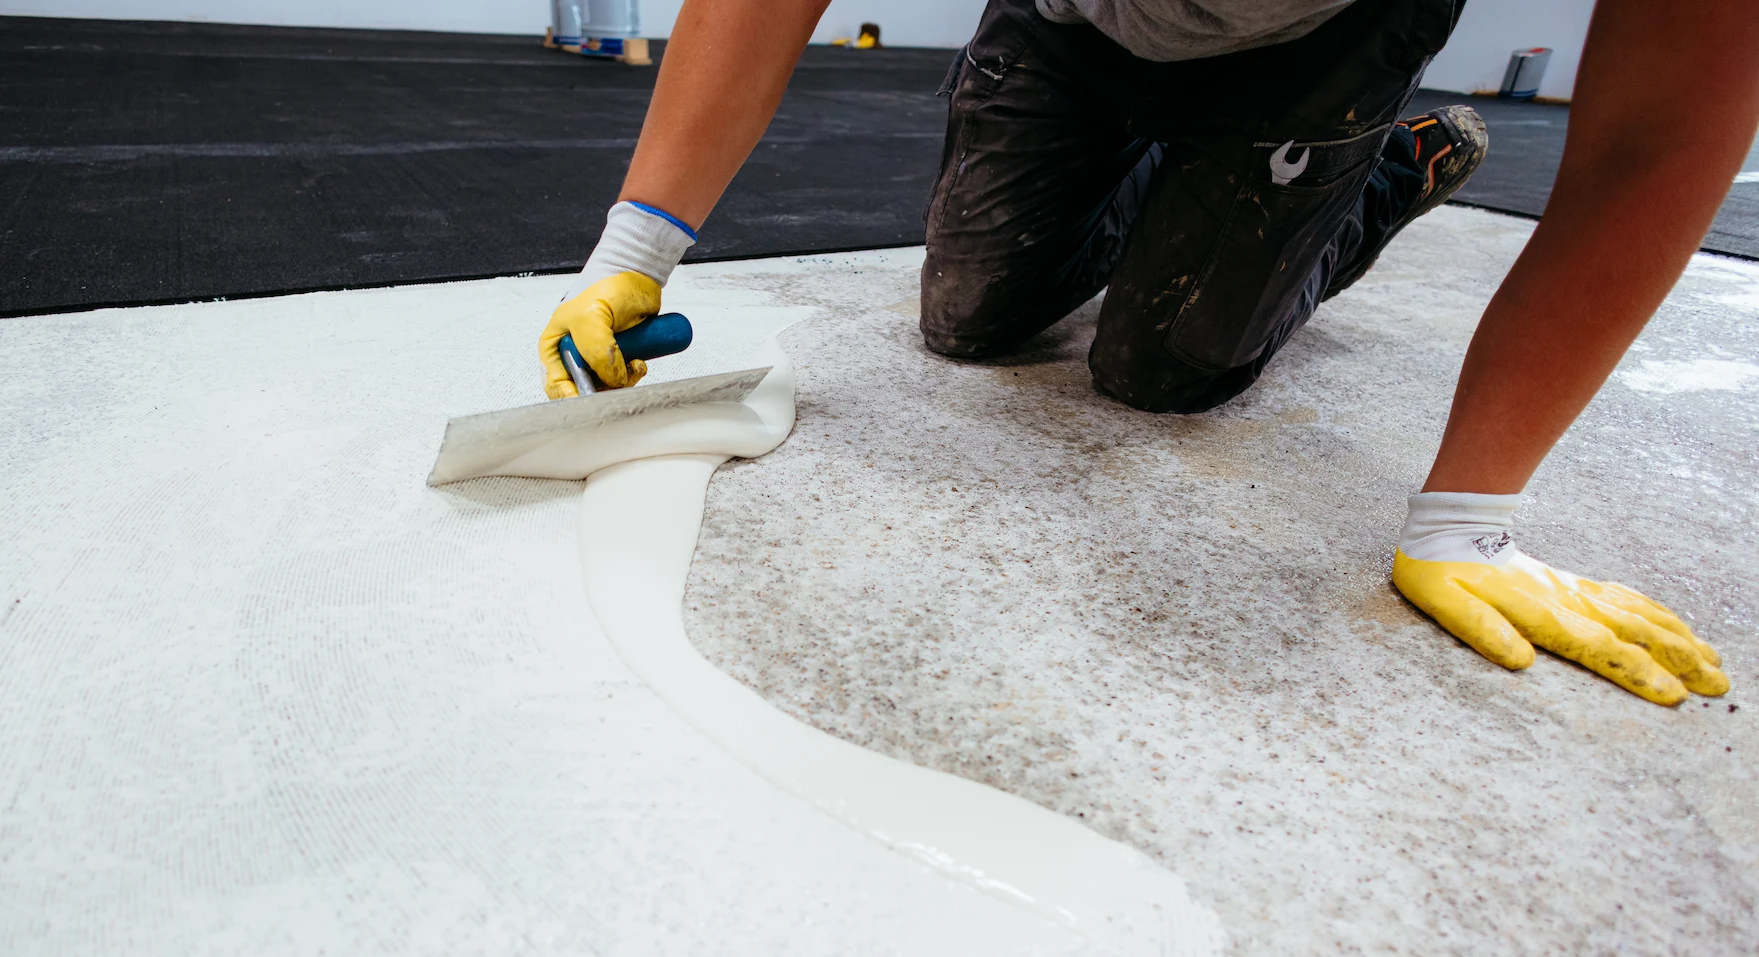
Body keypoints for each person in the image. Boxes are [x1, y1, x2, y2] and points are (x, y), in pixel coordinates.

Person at [539, 0, 1759, 706]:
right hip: (1073, 22)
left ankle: (1374, 174)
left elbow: (1652, 131)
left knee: (1167, 369)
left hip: (1318, 40)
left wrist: (1469, 513)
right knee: (970, 319)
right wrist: (632, 248)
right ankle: (1199, 191)